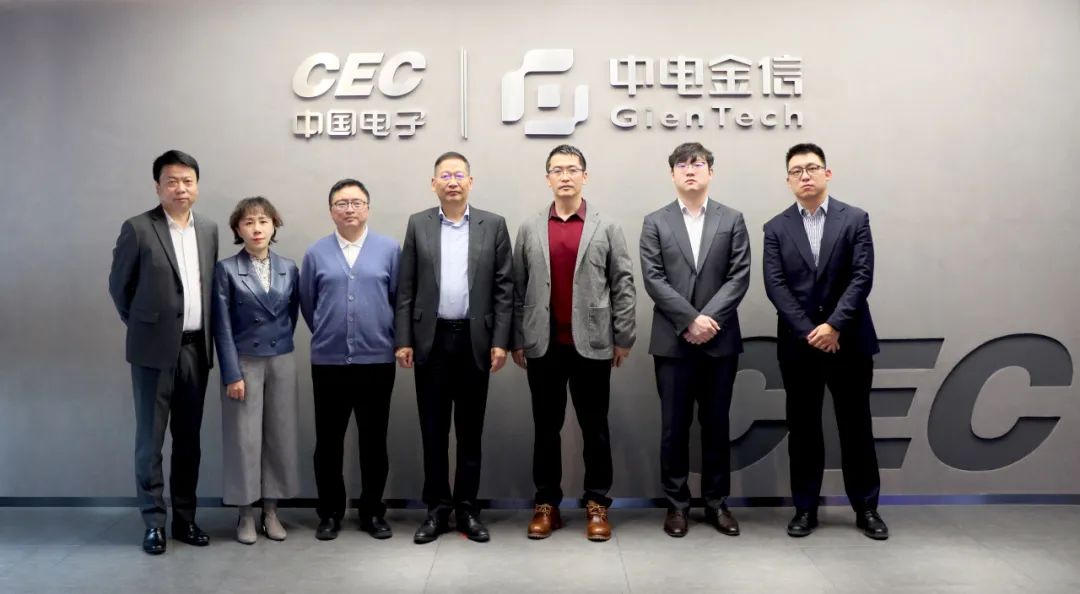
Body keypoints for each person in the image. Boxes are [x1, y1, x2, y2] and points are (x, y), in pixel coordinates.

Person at [762, 142, 889, 540]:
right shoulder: (775, 228)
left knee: (856, 427)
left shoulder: (855, 219)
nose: (805, 175)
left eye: (812, 168)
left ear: (827, 173)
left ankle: (867, 508)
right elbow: (775, 285)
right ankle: (805, 509)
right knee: (803, 430)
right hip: (799, 347)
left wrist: (834, 326)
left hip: (849, 341)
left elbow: (862, 277)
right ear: (788, 180)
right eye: (796, 171)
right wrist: (810, 331)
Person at [512, 144, 636, 542]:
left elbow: (623, 283)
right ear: (547, 178)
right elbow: (517, 287)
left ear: (585, 176)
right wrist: (518, 337)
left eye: (572, 169)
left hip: (593, 344)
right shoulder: (530, 227)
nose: (565, 176)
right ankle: (546, 504)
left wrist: (623, 336)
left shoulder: (606, 226)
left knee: (595, 428)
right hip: (543, 345)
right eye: (557, 170)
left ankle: (597, 503)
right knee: (545, 429)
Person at [394, 151, 513, 544]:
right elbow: (406, 288)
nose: (452, 182)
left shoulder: (493, 225)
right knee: (432, 430)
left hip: (475, 341)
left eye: (459, 175)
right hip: (431, 340)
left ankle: (467, 509)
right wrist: (404, 339)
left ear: (470, 182)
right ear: (434, 184)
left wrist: (501, 341)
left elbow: (504, 289)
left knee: (470, 432)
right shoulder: (419, 224)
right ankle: (436, 509)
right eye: (444, 176)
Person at [108, 149, 219, 554]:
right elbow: (120, 288)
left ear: (197, 186)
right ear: (158, 186)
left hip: (195, 350)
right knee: (150, 441)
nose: (180, 188)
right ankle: (153, 522)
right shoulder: (138, 228)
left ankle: (185, 519)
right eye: (172, 181)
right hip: (153, 351)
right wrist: (147, 328)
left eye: (188, 181)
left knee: (189, 440)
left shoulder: (208, 230)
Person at [639, 142, 750, 537]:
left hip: (720, 341)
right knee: (674, 428)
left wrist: (708, 321)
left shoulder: (732, 219)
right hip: (673, 342)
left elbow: (739, 276)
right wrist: (689, 320)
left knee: (717, 426)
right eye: (682, 165)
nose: (690, 170)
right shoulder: (655, 222)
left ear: (710, 172)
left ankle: (717, 504)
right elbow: (653, 278)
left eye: (698, 164)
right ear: (672, 174)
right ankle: (677, 506)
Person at [299, 179, 400, 541]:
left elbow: (397, 299)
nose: (349, 209)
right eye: (341, 203)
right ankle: (330, 512)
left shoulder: (389, 250)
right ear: (331, 211)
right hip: (329, 363)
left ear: (368, 208)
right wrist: (331, 334)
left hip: (377, 361)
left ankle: (372, 511)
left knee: (374, 441)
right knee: (328, 443)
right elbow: (309, 303)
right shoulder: (316, 253)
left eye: (356, 202)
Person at [212, 197, 301, 544]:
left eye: (263, 221)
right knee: (244, 439)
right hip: (244, 361)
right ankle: (245, 513)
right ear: (238, 228)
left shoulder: (289, 267)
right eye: (248, 222)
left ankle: (272, 511)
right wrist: (231, 373)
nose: (257, 228)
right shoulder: (226, 270)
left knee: (280, 436)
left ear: (274, 225)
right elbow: (221, 326)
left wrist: (279, 345)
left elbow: (290, 316)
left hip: (281, 359)